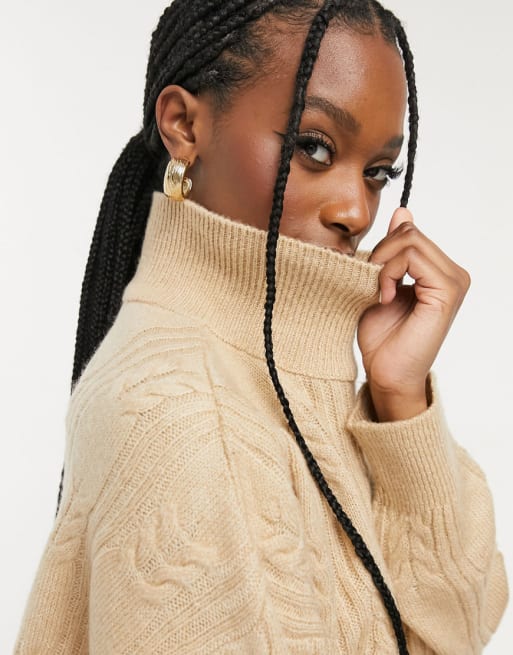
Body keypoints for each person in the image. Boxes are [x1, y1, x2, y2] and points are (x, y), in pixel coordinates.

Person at [14, 1, 508, 653]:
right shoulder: (178, 411)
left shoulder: (300, 375)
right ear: (183, 124)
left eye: (377, 173)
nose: (357, 211)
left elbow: (459, 621)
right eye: (314, 147)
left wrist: (400, 396)